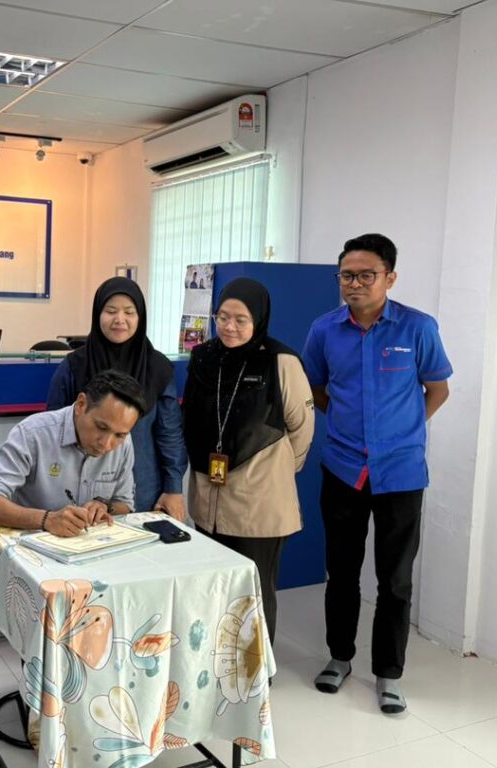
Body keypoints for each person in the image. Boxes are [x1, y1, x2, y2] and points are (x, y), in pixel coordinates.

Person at [302, 233, 451, 715]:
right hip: (343, 468)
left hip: (401, 473)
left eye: (367, 275)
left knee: (396, 580)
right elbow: (315, 387)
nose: (355, 283)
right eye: (347, 275)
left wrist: (404, 431)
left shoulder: (418, 328)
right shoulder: (324, 330)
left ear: (390, 277)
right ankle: (339, 657)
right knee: (342, 572)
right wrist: (348, 425)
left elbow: (437, 389)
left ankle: (389, 673)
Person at [182, 277, 314, 647]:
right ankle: (213, 666)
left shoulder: (281, 362)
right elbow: (190, 416)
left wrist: (277, 470)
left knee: (252, 593)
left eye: (241, 319)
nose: (229, 327)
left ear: (258, 319)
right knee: (212, 588)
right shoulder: (203, 357)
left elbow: (301, 428)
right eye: (222, 317)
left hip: (259, 501)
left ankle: (256, 670)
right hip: (208, 498)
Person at [46, 277, 187, 518]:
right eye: (111, 311)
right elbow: (54, 431)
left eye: (129, 312)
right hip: (79, 493)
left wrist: (173, 489)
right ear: (97, 314)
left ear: (140, 317)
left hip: (142, 491)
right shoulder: (74, 366)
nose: (120, 319)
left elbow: (169, 434)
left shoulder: (158, 367)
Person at [0, 370, 143, 535]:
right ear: (81, 404)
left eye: (119, 435)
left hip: (91, 545)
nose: (106, 444)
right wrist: (47, 520)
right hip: (32, 546)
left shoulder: (125, 443)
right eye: (101, 427)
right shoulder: (33, 434)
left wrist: (104, 506)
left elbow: (124, 505)